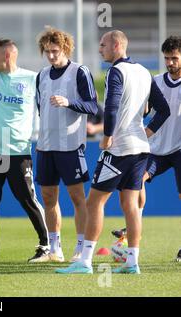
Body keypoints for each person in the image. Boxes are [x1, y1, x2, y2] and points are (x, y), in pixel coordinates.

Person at [56, 30, 170, 274]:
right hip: (140, 148)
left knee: (95, 201)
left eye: (103, 44)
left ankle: (84, 262)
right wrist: (146, 133)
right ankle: (132, 263)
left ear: (117, 45)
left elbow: (112, 107)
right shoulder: (143, 72)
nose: (100, 49)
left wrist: (107, 137)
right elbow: (164, 110)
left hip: (118, 148)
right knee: (130, 204)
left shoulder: (116, 71)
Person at [111, 36, 181, 262]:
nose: (170, 62)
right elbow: (144, 110)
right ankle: (132, 227)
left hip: (179, 150)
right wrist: (144, 127)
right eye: (167, 58)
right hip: (155, 149)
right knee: (136, 181)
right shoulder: (156, 81)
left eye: (175, 58)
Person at [0, 38, 49, 263]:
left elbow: (44, 109)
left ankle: (45, 246)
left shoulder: (32, 79)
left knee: (28, 200)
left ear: (7, 56)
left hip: (19, 153)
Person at [34, 27, 98, 262]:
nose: (51, 56)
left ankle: (81, 247)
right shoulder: (41, 75)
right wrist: (41, 141)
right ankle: (54, 248)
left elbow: (92, 106)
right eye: (47, 51)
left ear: (65, 49)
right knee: (49, 197)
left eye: (55, 51)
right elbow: (41, 110)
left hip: (71, 146)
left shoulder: (79, 71)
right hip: (46, 147)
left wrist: (69, 102)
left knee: (77, 198)